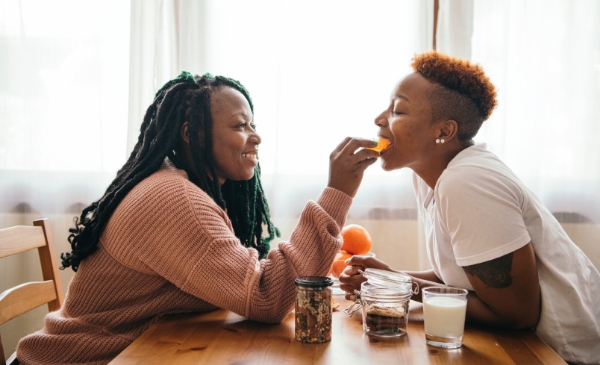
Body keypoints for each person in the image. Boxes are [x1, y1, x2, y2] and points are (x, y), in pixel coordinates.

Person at [16, 72, 380, 365]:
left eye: (252, 124)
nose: (256, 137)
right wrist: (338, 192)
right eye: (240, 126)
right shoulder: (173, 200)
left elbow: (246, 283)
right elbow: (268, 298)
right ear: (192, 134)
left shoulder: (185, 188)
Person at [339, 51, 600, 365]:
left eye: (398, 110)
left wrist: (400, 284)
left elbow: (516, 313)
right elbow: (463, 275)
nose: (380, 119)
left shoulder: (467, 182)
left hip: (562, 354)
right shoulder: (431, 177)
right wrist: (386, 276)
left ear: (444, 131)